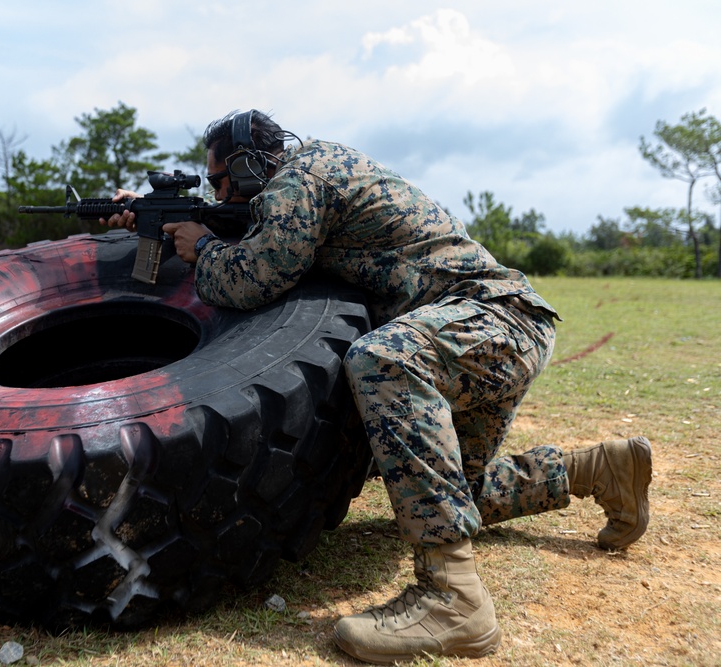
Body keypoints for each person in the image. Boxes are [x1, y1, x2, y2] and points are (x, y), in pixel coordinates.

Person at [102, 110, 652, 663]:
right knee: (450, 492)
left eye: (219, 180)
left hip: (492, 320)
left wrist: (202, 247)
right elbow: (264, 233)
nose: (217, 191)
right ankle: (601, 470)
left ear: (248, 167)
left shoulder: (300, 180)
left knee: (383, 361)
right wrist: (151, 218)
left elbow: (255, 277)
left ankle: (454, 601)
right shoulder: (308, 177)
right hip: (495, 327)